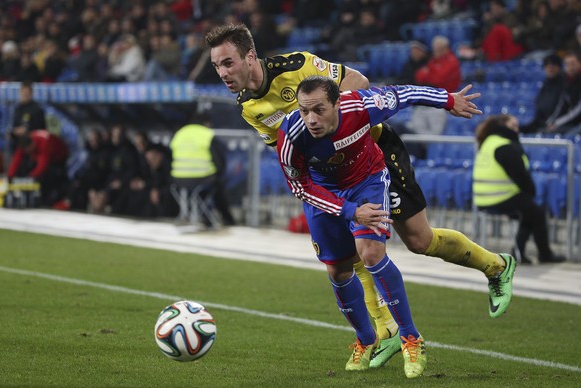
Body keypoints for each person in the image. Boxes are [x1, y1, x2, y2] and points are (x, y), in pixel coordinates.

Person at [206, 23, 516, 369]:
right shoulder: (248, 107)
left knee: (419, 240)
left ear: (250, 56)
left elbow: (358, 83)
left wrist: (346, 130)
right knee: (353, 255)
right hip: (332, 175)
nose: (222, 72)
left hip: (373, 153)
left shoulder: (297, 65)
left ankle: (497, 266)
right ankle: (384, 333)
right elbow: (289, 152)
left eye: (228, 62)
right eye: (217, 66)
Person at [277, 75, 434, 375]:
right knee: (338, 271)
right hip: (324, 194)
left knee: (371, 254)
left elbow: (406, 93)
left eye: (319, 110)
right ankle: (366, 339)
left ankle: (411, 338)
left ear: (337, 103)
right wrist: (350, 211)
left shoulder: (360, 106)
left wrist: (450, 100)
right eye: (303, 110)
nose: (310, 119)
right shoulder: (291, 136)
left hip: (367, 182)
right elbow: (301, 189)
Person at [473, 114, 566, 264]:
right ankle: (543, 254)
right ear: (504, 127)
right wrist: (531, 191)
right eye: (513, 126)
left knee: (530, 211)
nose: (517, 130)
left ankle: (519, 253)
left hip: (483, 197)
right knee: (536, 212)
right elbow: (521, 176)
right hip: (499, 197)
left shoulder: (489, 141)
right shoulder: (505, 146)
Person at [169, 114, 235, 227]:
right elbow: (218, 160)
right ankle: (226, 218)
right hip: (202, 178)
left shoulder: (179, 134)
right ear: (206, 123)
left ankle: (202, 217)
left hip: (178, 180)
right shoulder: (207, 134)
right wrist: (219, 174)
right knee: (215, 188)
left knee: (198, 193)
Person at [410, 35, 461, 136]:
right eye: (435, 50)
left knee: (434, 134)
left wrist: (428, 73)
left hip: (445, 101)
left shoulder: (452, 61)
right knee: (415, 127)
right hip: (430, 100)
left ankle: (430, 150)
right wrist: (432, 73)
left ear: (446, 49)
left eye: (439, 49)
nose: (436, 52)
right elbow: (419, 77)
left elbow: (438, 80)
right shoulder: (433, 61)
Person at [7, 129, 69, 206]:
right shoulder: (24, 143)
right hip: (43, 156)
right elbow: (16, 159)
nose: (27, 152)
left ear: (32, 144)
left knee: (47, 176)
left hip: (59, 157)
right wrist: (10, 176)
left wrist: (31, 177)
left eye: (28, 149)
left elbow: (43, 164)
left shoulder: (45, 142)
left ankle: (47, 201)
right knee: (26, 167)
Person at [520, 53, 566, 134]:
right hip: (542, 123)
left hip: (557, 124)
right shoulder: (545, 84)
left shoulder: (564, 84)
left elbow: (562, 108)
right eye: (547, 65)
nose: (550, 67)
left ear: (559, 67)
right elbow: (539, 110)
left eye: (553, 65)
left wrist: (552, 123)